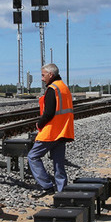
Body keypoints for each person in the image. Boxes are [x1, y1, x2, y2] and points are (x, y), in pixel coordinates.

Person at [28, 63, 74, 194]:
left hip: (51, 131)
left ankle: (47, 186)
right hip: (63, 130)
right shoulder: (64, 87)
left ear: (50, 74)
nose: (42, 79)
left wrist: (39, 124)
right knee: (58, 163)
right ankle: (62, 191)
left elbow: (48, 113)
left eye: (43, 75)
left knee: (33, 156)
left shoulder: (52, 89)